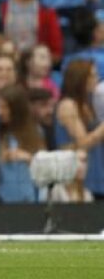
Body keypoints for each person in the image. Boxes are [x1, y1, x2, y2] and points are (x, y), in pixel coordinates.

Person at [55, 58, 104, 199]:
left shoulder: (86, 104)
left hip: (96, 168)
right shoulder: (68, 105)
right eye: (92, 75)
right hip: (78, 174)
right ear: (80, 79)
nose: (97, 78)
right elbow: (82, 143)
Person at [0, 83, 44, 203]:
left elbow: (44, 168)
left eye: (4, 107)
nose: (0, 111)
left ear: (17, 109)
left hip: (30, 198)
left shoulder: (36, 131)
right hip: (1, 197)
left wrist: (27, 157)